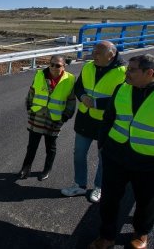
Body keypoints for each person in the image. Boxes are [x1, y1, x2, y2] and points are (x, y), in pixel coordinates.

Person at [89, 54, 154, 249]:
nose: (127, 73)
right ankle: (107, 236)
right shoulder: (121, 88)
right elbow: (109, 118)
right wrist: (102, 145)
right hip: (115, 155)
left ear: (150, 73)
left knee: (146, 201)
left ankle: (141, 233)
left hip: (148, 161)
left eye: (132, 70)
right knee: (109, 199)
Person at [61, 41, 126, 203]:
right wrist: (82, 97)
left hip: (107, 122)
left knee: (104, 158)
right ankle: (80, 185)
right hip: (85, 119)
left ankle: (99, 187)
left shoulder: (124, 71)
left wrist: (96, 103)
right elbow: (79, 87)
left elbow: (122, 98)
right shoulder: (89, 66)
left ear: (110, 55)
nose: (93, 55)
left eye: (98, 53)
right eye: (93, 51)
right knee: (79, 154)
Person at [18, 55, 76, 181]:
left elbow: (71, 101)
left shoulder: (70, 79)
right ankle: (26, 168)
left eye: (58, 65)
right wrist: (29, 107)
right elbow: (31, 93)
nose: (54, 68)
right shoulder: (40, 74)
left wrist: (65, 116)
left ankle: (46, 170)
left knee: (50, 146)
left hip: (55, 118)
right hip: (37, 115)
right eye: (52, 64)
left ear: (64, 66)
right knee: (32, 145)